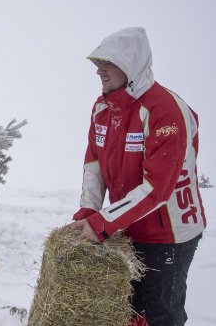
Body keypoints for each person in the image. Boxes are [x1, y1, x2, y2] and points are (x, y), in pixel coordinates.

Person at [69, 27, 206, 326]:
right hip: (127, 225)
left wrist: (103, 222)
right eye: (97, 64)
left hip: (169, 233)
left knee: (161, 314)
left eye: (108, 63)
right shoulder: (104, 107)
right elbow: (94, 161)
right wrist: (90, 209)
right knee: (129, 312)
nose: (99, 72)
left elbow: (158, 189)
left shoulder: (165, 111)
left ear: (131, 65)